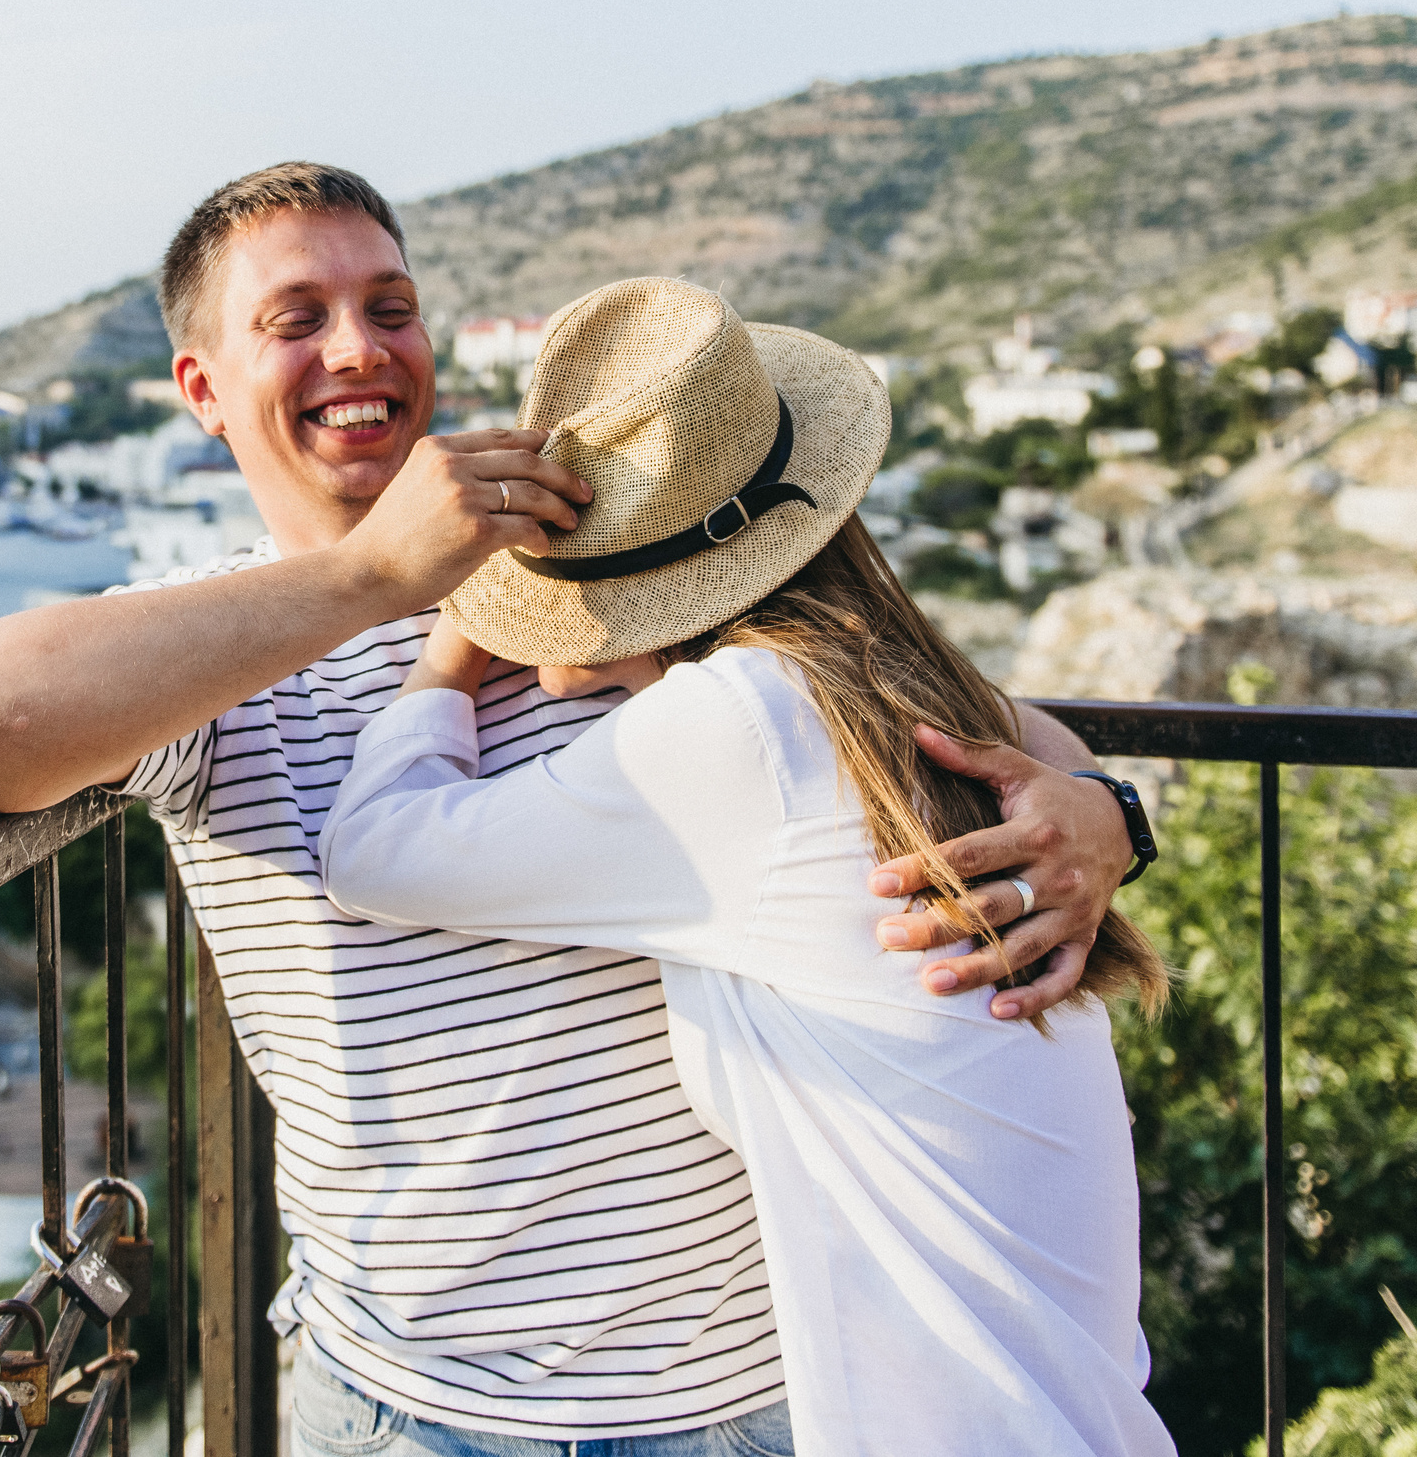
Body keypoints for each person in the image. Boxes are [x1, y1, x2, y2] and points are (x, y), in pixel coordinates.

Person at [0, 165, 1141, 1451]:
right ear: (203, 389)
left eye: (391, 306)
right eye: (295, 318)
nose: (356, 348)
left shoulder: (607, 575)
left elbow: (931, 709)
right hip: (408, 1406)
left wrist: (1102, 809)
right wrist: (372, 576)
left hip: (745, 1398)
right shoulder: (210, 658)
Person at [318, 277, 1174, 1455]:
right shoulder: (869, 696)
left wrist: (457, 639)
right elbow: (1040, 741)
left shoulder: (744, 723)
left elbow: (374, 850)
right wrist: (1111, 808)